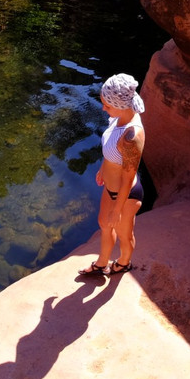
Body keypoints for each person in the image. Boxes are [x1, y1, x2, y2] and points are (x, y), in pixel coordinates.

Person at [78, 73, 146, 277]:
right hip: (110, 187)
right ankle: (101, 264)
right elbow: (110, 152)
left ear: (121, 104)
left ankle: (124, 263)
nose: (103, 108)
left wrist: (118, 209)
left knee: (125, 234)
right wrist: (102, 169)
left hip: (126, 195)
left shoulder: (132, 137)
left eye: (107, 105)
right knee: (104, 225)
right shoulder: (117, 118)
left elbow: (128, 177)